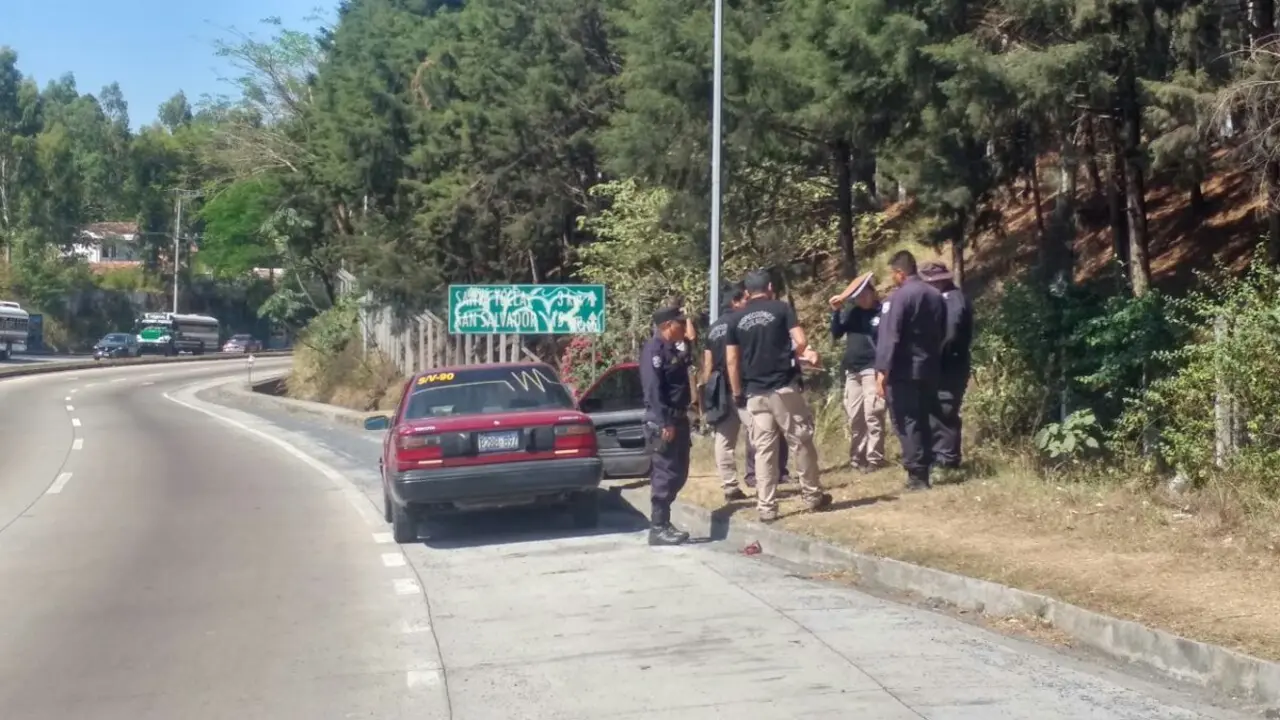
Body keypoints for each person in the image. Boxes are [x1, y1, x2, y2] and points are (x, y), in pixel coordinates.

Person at [725, 269, 832, 523]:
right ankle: (812, 495)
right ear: (770, 287)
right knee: (800, 440)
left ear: (748, 293)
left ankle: (767, 507)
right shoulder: (782, 309)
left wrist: (737, 392)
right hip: (783, 388)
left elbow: (731, 360)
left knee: (763, 450)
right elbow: (801, 339)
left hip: (754, 393)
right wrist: (797, 354)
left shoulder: (735, 319)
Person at [702, 285, 791, 502]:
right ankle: (762, 480)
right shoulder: (741, 322)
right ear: (735, 301)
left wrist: (707, 393)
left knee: (724, 439)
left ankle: (730, 485)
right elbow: (740, 356)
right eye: (744, 298)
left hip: (719, 387)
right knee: (759, 432)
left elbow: (707, 365)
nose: (747, 301)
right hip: (742, 384)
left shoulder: (712, 328)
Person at [874, 251, 946, 491]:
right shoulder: (936, 295)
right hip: (930, 367)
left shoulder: (897, 299)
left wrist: (882, 371)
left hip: (904, 371)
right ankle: (926, 467)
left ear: (899, 273)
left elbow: (889, 337)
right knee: (925, 418)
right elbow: (943, 332)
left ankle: (916, 474)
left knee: (907, 420)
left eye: (893, 274)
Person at [640, 306, 694, 546]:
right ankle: (658, 527)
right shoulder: (654, 349)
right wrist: (664, 422)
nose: (683, 327)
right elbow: (653, 389)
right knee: (665, 473)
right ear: (667, 325)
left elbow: (686, 360)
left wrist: (689, 336)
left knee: (680, 472)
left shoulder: (673, 349)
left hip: (679, 418)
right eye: (679, 323)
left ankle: (665, 522)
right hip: (663, 419)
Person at [920, 261, 974, 472]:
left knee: (945, 409)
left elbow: (951, 333)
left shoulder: (952, 299)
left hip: (950, 364)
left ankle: (947, 459)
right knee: (935, 409)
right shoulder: (946, 298)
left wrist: (936, 355)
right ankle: (938, 455)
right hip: (944, 363)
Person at [829, 271, 886, 472]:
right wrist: (836, 311)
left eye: (864, 294)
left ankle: (874, 458)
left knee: (873, 414)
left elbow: (865, 276)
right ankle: (857, 456)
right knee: (855, 417)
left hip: (872, 368)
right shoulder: (853, 312)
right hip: (852, 370)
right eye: (858, 296)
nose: (861, 299)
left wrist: (883, 372)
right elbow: (837, 332)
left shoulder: (882, 313)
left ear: (872, 293)